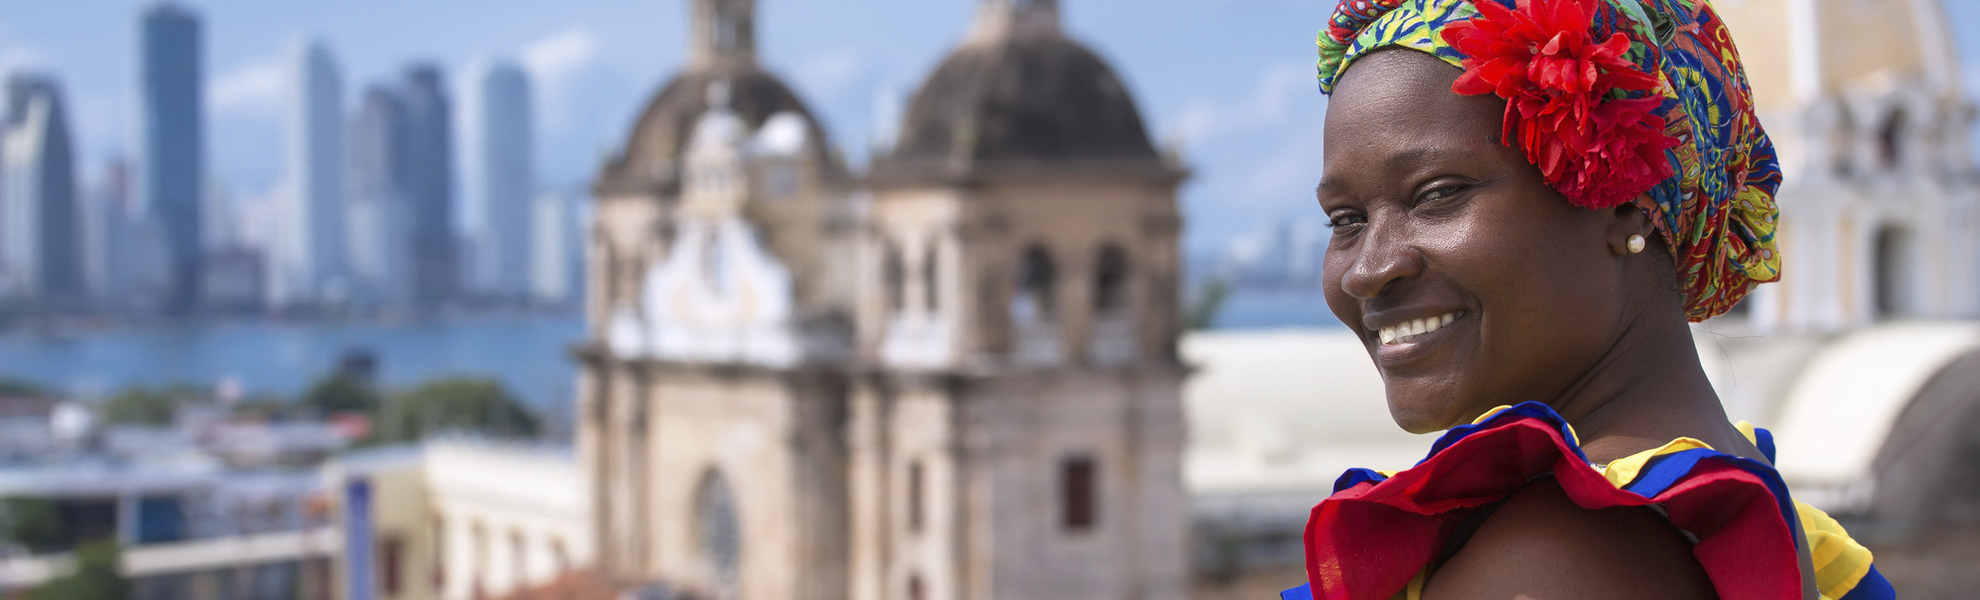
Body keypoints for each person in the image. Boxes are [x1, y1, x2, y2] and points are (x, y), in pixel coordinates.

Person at [1286, 0, 1897, 598]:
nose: (1368, 270)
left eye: (1438, 193)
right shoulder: (1752, 512)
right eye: (1345, 220)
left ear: (1625, 200)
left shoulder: (1553, 563)